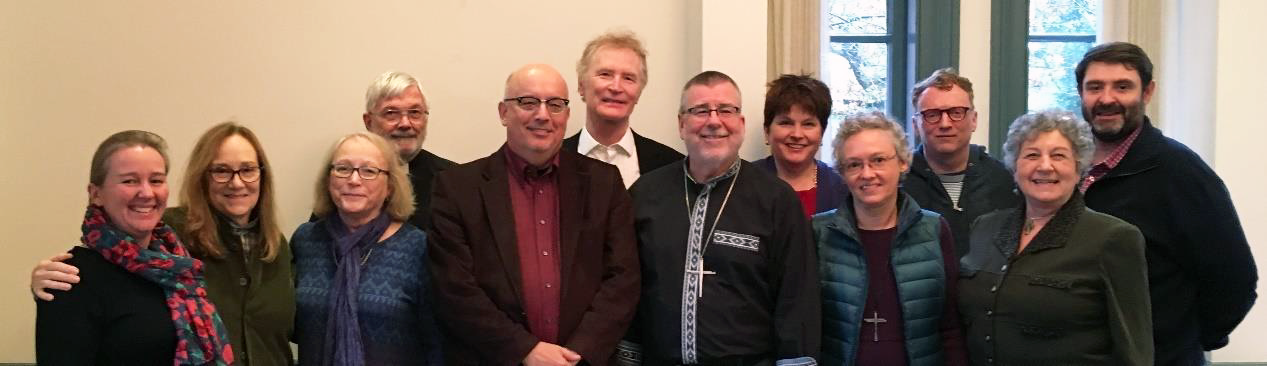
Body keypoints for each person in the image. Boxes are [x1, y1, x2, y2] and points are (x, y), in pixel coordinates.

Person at [427, 64, 640, 365]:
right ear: (503, 112)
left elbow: (623, 279)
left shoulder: (604, 183)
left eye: (555, 105)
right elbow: (454, 289)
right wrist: (525, 350)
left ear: (566, 115)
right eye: (528, 102)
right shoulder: (457, 188)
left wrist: (578, 355)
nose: (543, 115)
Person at [32, 122, 295, 365]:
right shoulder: (177, 233)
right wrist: (41, 282)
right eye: (221, 171)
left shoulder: (169, 253)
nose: (236, 182)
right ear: (96, 194)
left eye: (248, 170)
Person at [1074, 42, 1256, 365]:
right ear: (1081, 93)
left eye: (1122, 86)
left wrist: (1186, 342)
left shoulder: (1181, 173)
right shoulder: (1066, 168)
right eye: (1095, 87)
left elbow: (1235, 278)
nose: (1107, 98)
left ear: (1147, 93)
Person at [620, 71, 820, 365]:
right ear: (681, 124)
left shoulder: (777, 200)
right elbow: (627, 290)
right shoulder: (645, 194)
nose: (714, 121)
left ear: (740, 123)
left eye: (726, 110)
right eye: (700, 111)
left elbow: (797, 299)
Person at [958, 110, 1152, 365]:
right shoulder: (985, 227)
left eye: (1059, 156)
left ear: (1079, 167)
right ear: (1015, 167)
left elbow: (1134, 348)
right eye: (1032, 155)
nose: (1045, 166)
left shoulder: (1113, 238)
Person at [812, 111, 967, 365]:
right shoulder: (819, 232)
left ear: (903, 162)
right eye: (854, 164)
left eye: (879, 160)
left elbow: (950, 327)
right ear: (842, 172)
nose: (867, 173)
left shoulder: (934, 229)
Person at [292, 132, 442, 365]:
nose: (353, 180)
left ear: (390, 186)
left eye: (369, 171)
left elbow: (437, 343)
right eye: (343, 168)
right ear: (328, 179)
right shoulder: (306, 240)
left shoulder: (418, 247)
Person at [903, 68, 1018, 258]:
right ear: (916, 125)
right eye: (932, 114)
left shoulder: (1005, 180)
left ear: (973, 120)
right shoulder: (898, 184)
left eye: (956, 112)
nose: (945, 123)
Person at [562, 30, 683, 187]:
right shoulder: (552, 160)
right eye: (605, 74)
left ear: (639, 92)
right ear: (581, 85)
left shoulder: (671, 165)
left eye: (628, 78)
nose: (616, 87)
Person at [360, 71, 456, 228]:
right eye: (391, 113)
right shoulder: (347, 177)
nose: (405, 123)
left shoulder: (454, 180)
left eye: (415, 113)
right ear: (369, 122)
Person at [757, 74, 845, 218]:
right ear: (767, 131)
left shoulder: (842, 188)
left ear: (822, 133)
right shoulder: (743, 184)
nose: (797, 134)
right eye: (786, 122)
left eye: (808, 124)